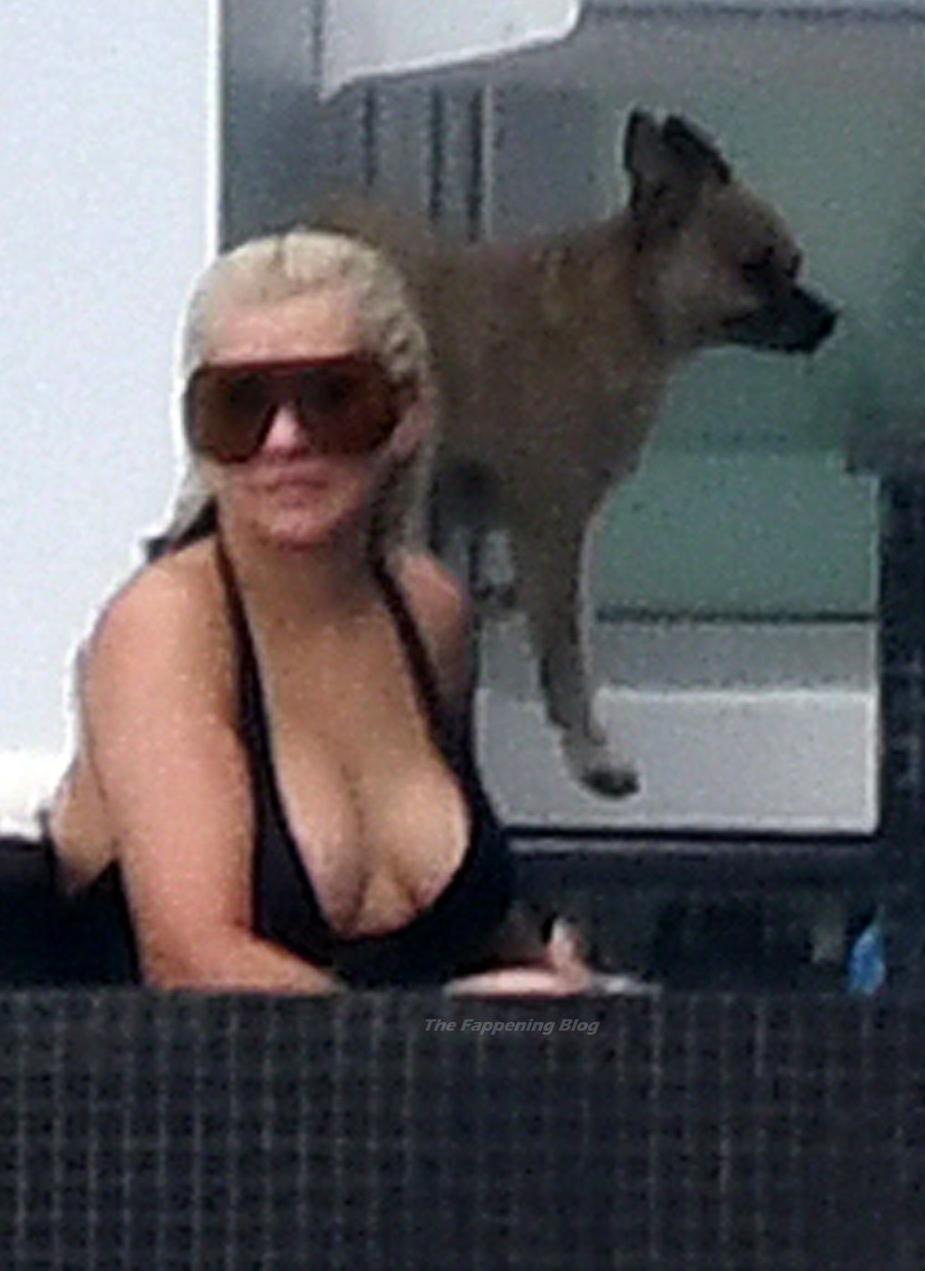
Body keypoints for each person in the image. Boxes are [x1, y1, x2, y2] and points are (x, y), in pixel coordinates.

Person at [46, 229, 592, 994]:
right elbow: (194, 962)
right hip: (197, 1074)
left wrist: (559, 995)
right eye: (240, 406)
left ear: (407, 414)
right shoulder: (168, 629)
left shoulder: (426, 611)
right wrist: (444, 1029)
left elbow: (464, 938)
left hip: (415, 1065)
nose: (285, 441)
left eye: (334, 398)